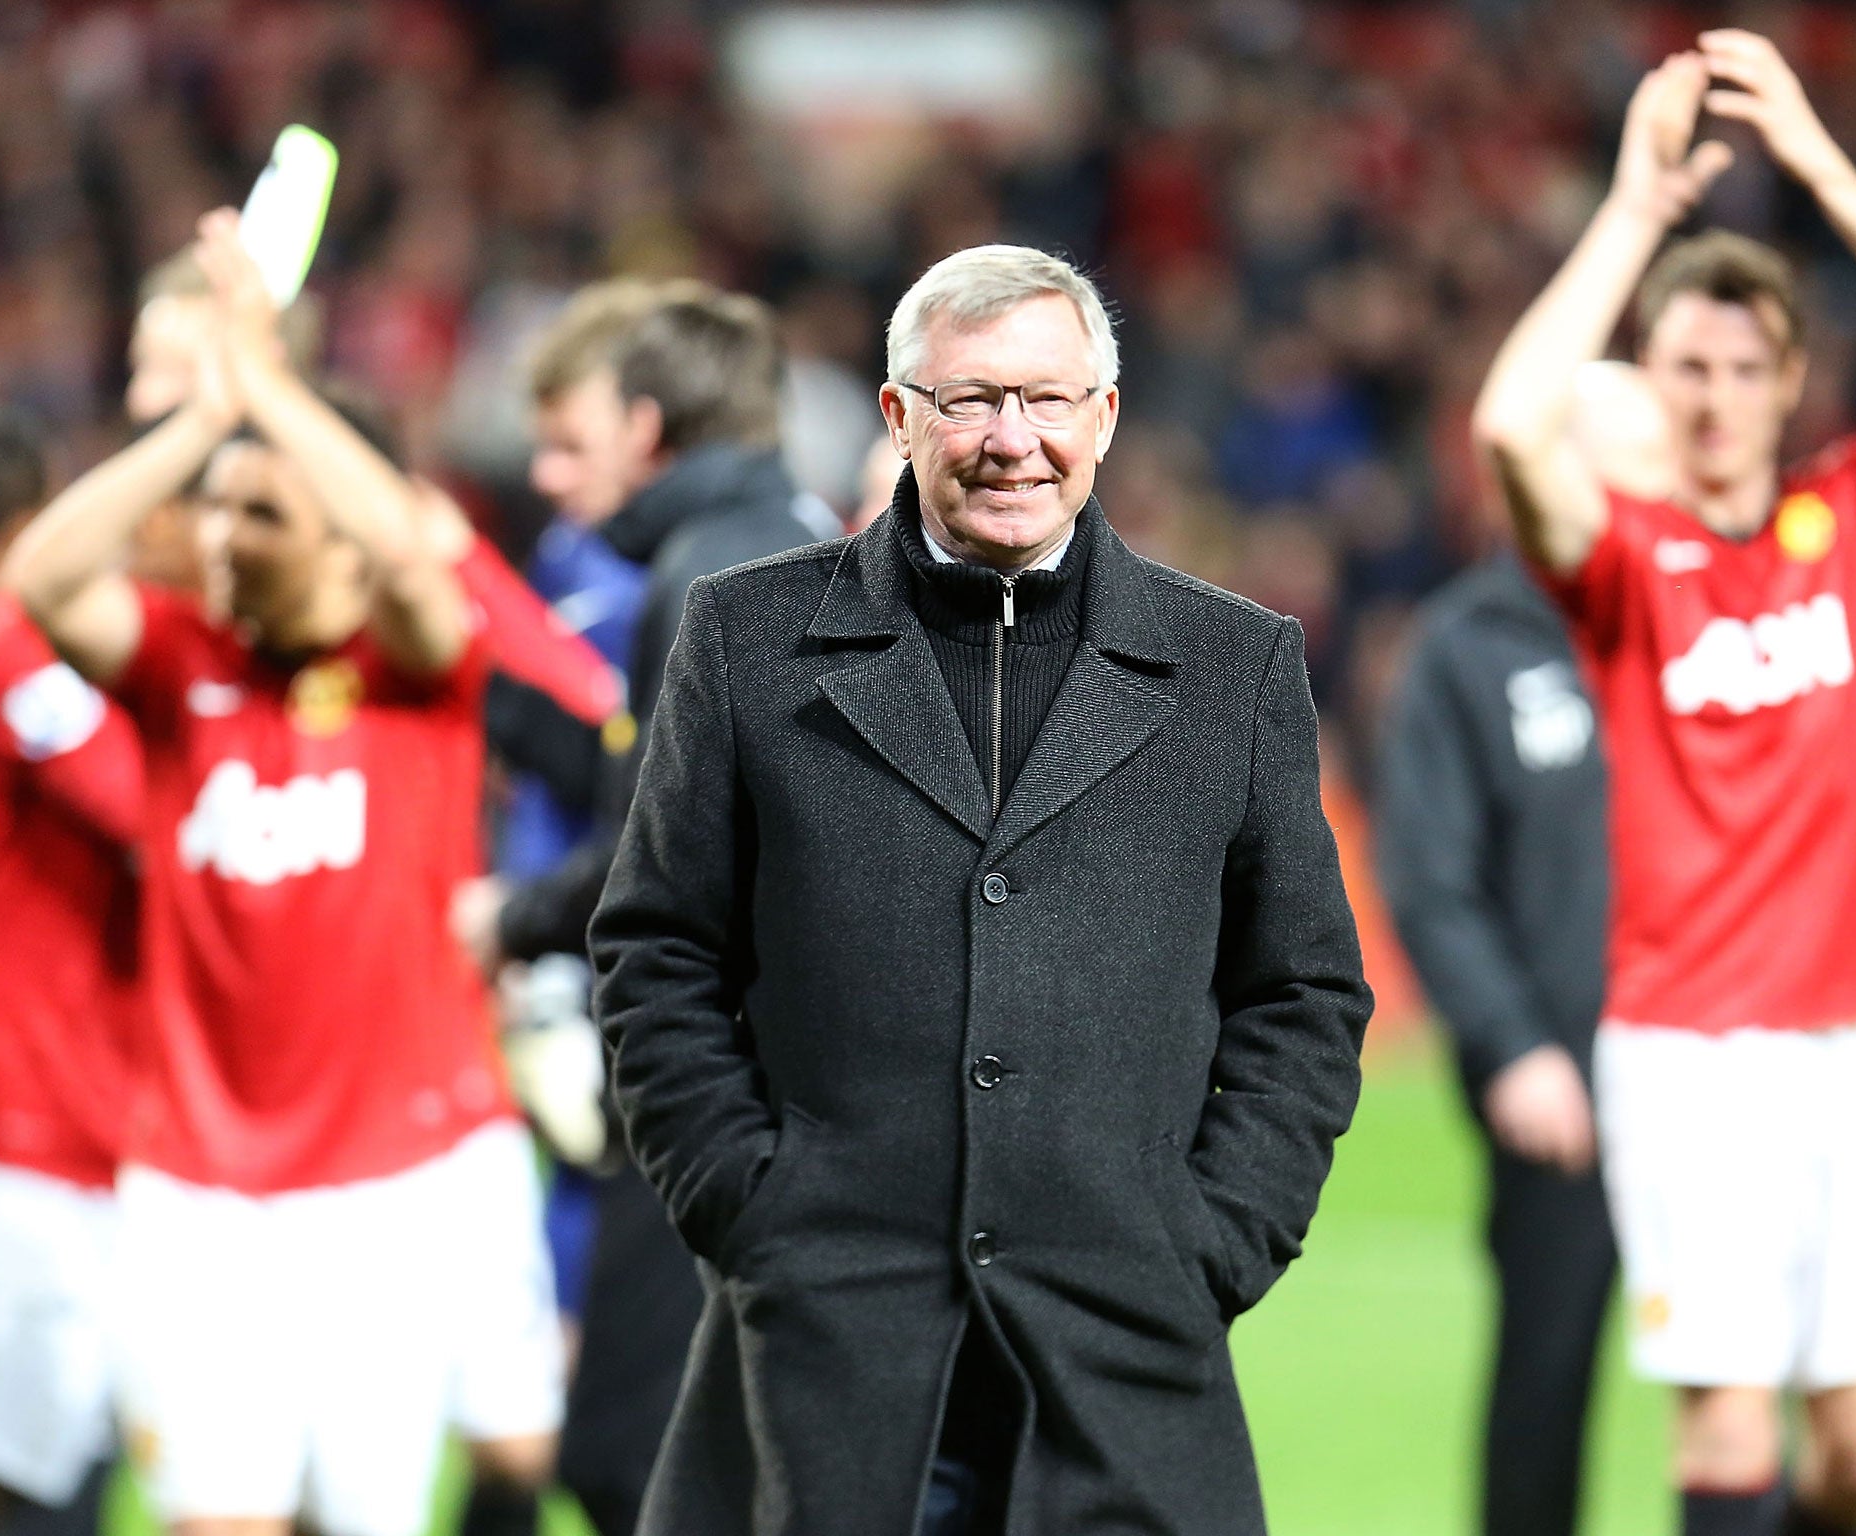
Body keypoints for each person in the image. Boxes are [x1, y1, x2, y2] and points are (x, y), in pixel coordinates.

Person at [589, 244, 1373, 1536]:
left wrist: (1217, 1239)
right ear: (899, 419)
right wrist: (746, 1203)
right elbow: (659, 951)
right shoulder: (746, 641)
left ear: (1105, 418)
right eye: (970, 401)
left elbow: (1303, 992)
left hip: (1126, 1359)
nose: (1014, 440)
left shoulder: (1234, 666)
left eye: (1048, 400)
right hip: (825, 1352)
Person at [1472, 32, 1856, 1536]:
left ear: (1790, 382)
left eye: (1739, 367)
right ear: (1653, 383)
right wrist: (1638, 208)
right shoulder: (1629, 569)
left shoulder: (1855, 523)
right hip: (1693, 1048)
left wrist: (1823, 163)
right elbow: (1515, 424)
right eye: (1682, 367)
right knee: (1725, 1432)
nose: (1711, 396)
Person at [8, 210, 565, 1536]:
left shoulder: (415, 677)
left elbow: (424, 562)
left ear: (339, 543)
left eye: (258, 514)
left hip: (386, 1189)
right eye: (214, 512)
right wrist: (207, 423)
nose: (217, 538)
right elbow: (43, 572)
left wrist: (272, 389)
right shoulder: (173, 665)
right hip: (197, 1192)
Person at [454, 279, 838, 1536]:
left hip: (708, 1084)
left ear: (646, 422)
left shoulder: (703, 577)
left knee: (632, 1458)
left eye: (579, 434)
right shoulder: (801, 535)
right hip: (796, 1077)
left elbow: (656, 852)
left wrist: (508, 918)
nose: (557, 473)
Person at [1373, 540, 1614, 1536]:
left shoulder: (1706, 613)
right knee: (1543, 1387)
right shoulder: (1467, 646)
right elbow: (1428, 876)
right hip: (1566, 1081)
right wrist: (1510, 1043)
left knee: (1747, 1399)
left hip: (1718, 1063)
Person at [0, 410, 141, 1536]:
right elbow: (145, 805)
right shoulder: (6, 644)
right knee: (39, 1477)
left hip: (56, 1114)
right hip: (35, 1126)